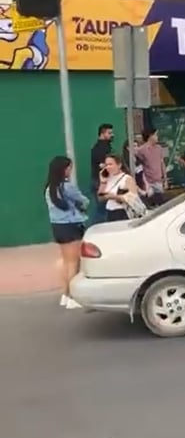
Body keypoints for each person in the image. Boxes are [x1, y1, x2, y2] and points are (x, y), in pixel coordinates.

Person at [45, 156, 89, 308]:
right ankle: (72, 298)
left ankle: (65, 295)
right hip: (71, 226)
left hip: (58, 227)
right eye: (69, 167)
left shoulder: (49, 188)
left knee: (66, 262)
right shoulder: (67, 186)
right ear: (63, 169)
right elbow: (83, 200)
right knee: (74, 263)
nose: (70, 170)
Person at [98, 154, 140, 223]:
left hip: (122, 212)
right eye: (106, 165)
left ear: (119, 165)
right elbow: (100, 198)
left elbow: (133, 198)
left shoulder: (127, 178)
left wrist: (115, 197)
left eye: (110, 164)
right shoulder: (108, 179)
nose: (108, 167)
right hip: (110, 212)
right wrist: (103, 182)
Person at [88, 123, 114, 225]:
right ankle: (93, 229)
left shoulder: (104, 147)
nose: (112, 135)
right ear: (102, 134)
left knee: (103, 208)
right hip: (100, 181)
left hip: (100, 180)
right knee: (102, 209)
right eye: (109, 133)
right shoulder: (100, 148)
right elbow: (102, 165)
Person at [135, 128, 167, 206]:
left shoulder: (159, 148)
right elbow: (139, 166)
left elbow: (162, 163)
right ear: (150, 136)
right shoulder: (141, 150)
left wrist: (165, 179)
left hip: (159, 181)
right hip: (148, 182)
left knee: (161, 203)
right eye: (156, 135)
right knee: (150, 203)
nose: (157, 137)